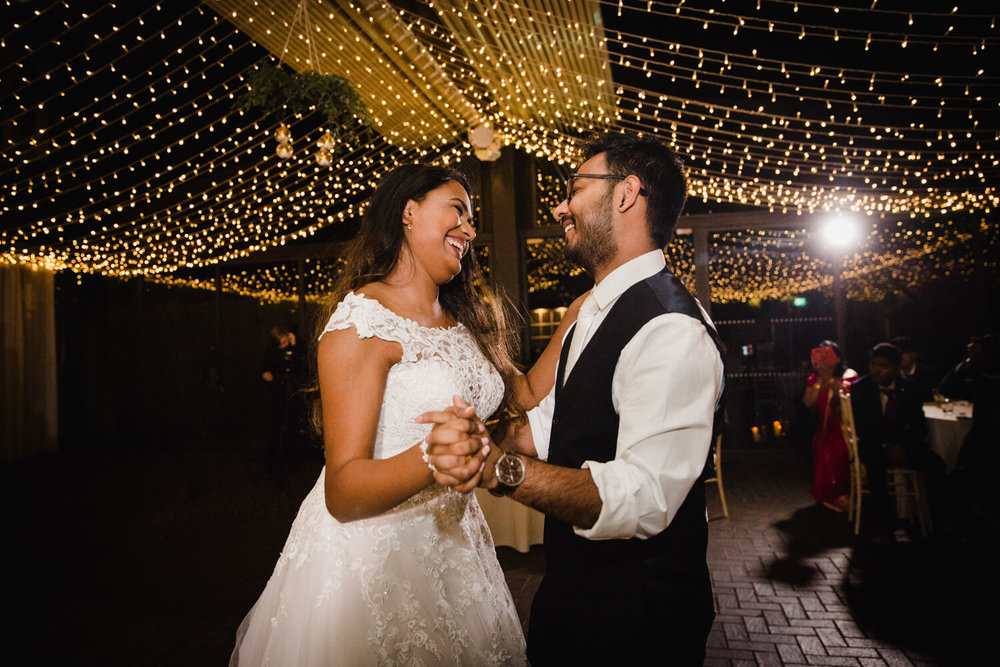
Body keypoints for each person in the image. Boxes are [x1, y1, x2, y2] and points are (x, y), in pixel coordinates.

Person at [230, 164, 580, 666]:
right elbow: (344, 492)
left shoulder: (461, 321)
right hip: (375, 559)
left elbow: (518, 393)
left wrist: (574, 318)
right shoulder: (361, 323)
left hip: (457, 546)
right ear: (408, 212)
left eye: (474, 218)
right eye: (457, 210)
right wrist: (436, 457)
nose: (470, 229)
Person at [423, 131, 725, 665]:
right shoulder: (592, 310)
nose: (562, 207)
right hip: (573, 595)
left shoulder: (672, 328)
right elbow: (556, 425)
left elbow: (645, 495)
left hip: (639, 621)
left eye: (575, 189)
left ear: (626, 193)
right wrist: (475, 433)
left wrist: (498, 469)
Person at [851, 342, 941, 541]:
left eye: (883, 366)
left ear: (896, 368)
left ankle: (937, 521)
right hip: (875, 444)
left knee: (936, 465)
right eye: (873, 364)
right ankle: (886, 526)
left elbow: (918, 426)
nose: (876, 370)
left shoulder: (911, 389)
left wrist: (903, 446)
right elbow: (863, 426)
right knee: (875, 466)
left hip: (904, 444)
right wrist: (887, 447)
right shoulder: (861, 389)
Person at [801, 341, 858, 512]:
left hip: (846, 427)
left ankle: (843, 493)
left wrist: (837, 386)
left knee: (836, 450)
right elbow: (807, 402)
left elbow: (853, 402)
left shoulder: (848, 375)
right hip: (824, 427)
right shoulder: (815, 379)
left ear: (837, 358)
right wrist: (819, 382)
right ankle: (831, 493)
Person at [259, 325, 307, 473]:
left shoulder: (296, 347)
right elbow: (265, 367)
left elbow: (301, 363)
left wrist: (294, 345)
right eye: (282, 342)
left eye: (286, 340)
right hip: (276, 392)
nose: (284, 343)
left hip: (292, 390)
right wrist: (267, 374)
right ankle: (274, 461)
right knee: (276, 425)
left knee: (291, 424)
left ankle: (291, 460)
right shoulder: (272, 350)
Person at [890, 335, 936, 401]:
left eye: (904, 352)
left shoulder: (927, 374)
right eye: (898, 353)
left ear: (914, 354)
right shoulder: (892, 375)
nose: (901, 356)